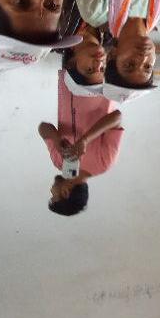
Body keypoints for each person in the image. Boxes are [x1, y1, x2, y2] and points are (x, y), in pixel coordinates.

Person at [38, 71, 124, 217]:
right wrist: (85, 140)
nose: (51, 190)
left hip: (69, 79)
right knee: (95, 59)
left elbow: (43, 127)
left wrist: (57, 140)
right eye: (53, 195)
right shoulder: (103, 163)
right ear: (65, 192)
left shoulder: (58, 162)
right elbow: (117, 117)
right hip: (99, 81)